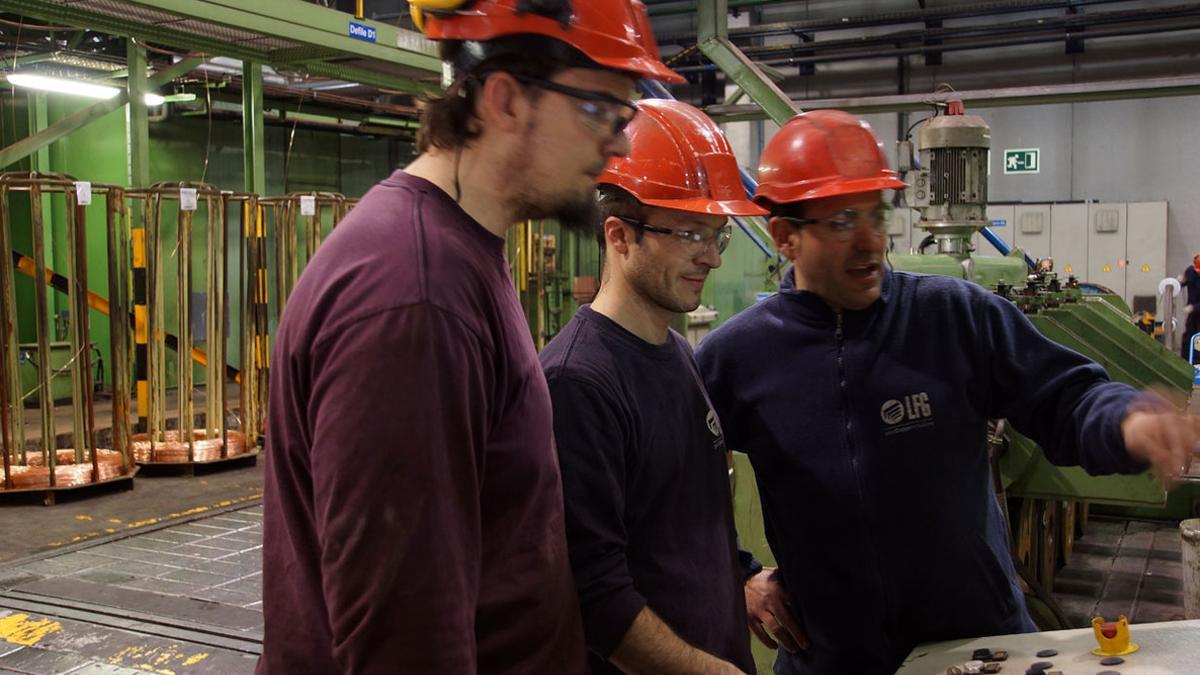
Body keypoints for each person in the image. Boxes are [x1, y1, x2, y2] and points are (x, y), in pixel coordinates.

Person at [694, 109, 1200, 675]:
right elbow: (681, 481)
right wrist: (737, 575)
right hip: (832, 657)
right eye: (840, 222)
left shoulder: (953, 317)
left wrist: (1128, 419)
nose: (870, 242)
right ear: (784, 235)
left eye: (876, 215)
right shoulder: (738, 356)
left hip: (980, 645)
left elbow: (1067, 397)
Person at [258, 1, 684, 672]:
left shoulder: (457, 252)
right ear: (506, 99)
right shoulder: (415, 296)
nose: (623, 144)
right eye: (603, 112)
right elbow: (404, 642)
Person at [540, 99, 765, 675]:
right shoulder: (577, 384)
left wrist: (744, 578)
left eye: (718, 234)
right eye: (691, 232)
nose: (711, 256)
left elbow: (682, 523)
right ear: (619, 236)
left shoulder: (677, 354)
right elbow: (593, 593)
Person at [1178, 253, 1200, 361]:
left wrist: (1193, 307)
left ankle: (1197, 364)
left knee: (1198, 340)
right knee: (1188, 337)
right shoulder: (1191, 271)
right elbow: (1184, 282)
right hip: (1192, 316)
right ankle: (1185, 362)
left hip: (1196, 310)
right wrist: (1179, 281)